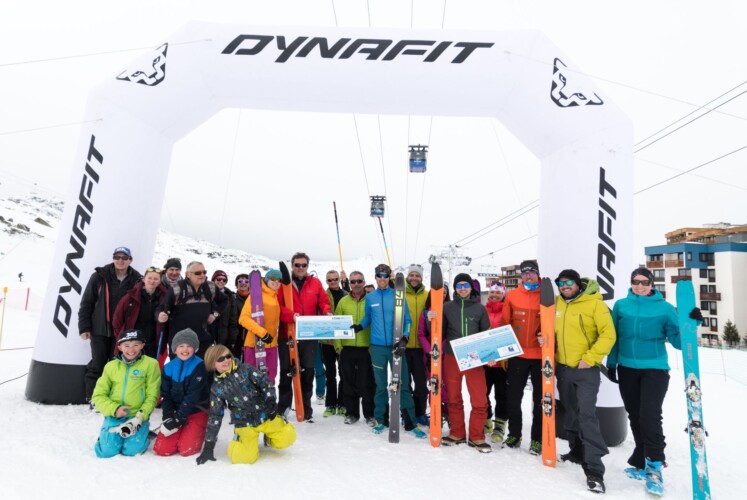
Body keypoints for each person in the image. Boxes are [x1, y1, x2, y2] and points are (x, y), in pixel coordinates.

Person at [607, 267, 690, 494]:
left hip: (655, 369)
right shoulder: (621, 305)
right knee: (635, 416)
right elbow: (615, 337)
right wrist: (612, 363)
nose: (640, 286)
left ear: (652, 284)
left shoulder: (665, 308)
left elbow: (679, 341)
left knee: (649, 416)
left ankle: (655, 466)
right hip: (627, 368)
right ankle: (642, 462)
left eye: (644, 282)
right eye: (636, 281)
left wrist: (691, 324)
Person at [552, 269, 616, 494]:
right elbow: (551, 332)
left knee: (587, 416)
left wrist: (590, 358)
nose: (564, 286)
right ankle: (577, 452)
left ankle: (594, 470)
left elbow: (608, 334)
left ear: (578, 283)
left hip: (586, 370)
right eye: (560, 283)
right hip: (563, 369)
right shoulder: (557, 304)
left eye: (569, 282)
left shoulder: (595, 304)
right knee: (570, 412)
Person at [352, 264, 426, 439]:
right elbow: (368, 318)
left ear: (389, 278)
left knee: (403, 384)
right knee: (380, 385)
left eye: (385, 276)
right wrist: (359, 326)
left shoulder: (398, 295)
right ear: (375, 277)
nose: (382, 279)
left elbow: (407, 320)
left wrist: (405, 338)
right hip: (377, 348)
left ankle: (410, 422)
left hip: (396, 346)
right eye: (379, 276)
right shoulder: (371, 297)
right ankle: (381, 420)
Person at [196, 344, 296, 465]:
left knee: (287, 438)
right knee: (241, 458)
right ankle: (246, 442)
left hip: (265, 414)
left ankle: (270, 436)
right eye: (221, 359)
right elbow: (215, 416)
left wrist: (270, 400)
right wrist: (208, 446)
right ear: (212, 364)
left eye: (228, 356)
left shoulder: (246, 369)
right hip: (244, 422)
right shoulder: (217, 388)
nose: (226, 360)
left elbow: (265, 383)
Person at [79, 246, 142, 405]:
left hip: (122, 332)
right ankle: (93, 397)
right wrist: (84, 327)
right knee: (97, 364)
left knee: (117, 366)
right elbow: (87, 303)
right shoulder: (99, 276)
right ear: (113, 258)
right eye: (117, 257)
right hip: (99, 329)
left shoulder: (137, 280)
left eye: (124, 258)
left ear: (130, 260)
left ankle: (112, 397)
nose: (120, 260)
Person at [277, 252, 332, 423]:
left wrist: (326, 311)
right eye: (297, 265)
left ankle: (305, 407)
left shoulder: (315, 283)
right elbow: (277, 306)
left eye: (304, 265)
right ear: (292, 266)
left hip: (309, 334)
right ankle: (283, 407)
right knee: (287, 371)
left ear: (308, 266)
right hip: (287, 333)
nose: (300, 268)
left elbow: (323, 301)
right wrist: (291, 316)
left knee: (308, 371)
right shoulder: (283, 284)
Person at [440, 273, 491, 452]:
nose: (462, 289)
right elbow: (439, 332)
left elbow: (486, 334)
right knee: (453, 397)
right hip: (452, 357)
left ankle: (477, 436)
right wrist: (432, 319)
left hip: (473, 357)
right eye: (459, 285)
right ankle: (457, 433)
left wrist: (490, 354)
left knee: (479, 399)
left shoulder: (480, 309)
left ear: (471, 287)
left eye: (466, 285)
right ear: (455, 288)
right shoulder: (447, 307)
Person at [91, 329, 160, 458]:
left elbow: (152, 395)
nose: (131, 349)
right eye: (126, 345)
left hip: (137, 416)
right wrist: (114, 409)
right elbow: (98, 395)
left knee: (131, 451)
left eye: (136, 345)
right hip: (114, 415)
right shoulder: (111, 366)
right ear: (119, 347)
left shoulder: (151, 364)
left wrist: (140, 416)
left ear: (142, 345)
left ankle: (144, 433)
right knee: (107, 452)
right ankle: (105, 437)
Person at [502, 260, 543, 455]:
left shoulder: (546, 294)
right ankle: (514, 434)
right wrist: (504, 353)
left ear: (537, 274)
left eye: (532, 272)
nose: (528, 275)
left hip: (540, 356)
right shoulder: (512, 295)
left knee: (540, 400)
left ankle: (537, 439)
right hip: (517, 354)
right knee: (513, 397)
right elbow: (505, 323)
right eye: (525, 272)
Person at [153, 328, 209, 457]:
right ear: (175, 349)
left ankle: (198, 428)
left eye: (189, 346)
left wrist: (179, 418)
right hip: (176, 411)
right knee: (162, 449)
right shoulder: (168, 367)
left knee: (186, 449)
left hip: (196, 410)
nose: (185, 349)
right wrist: (168, 416)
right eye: (181, 346)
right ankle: (182, 427)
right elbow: (166, 394)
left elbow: (192, 397)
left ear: (195, 348)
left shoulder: (200, 366)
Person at [157, 261, 228, 357]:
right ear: (188, 274)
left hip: (202, 339)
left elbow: (224, 300)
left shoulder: (210, 287)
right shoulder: (176, 288)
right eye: (198, 273)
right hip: (180, 340)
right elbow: (162, 307)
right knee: (179, 366)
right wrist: (159, 315)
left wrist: (215, 314)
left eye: (204, 272)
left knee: (201, 366)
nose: (202, 275)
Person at [334, 271, 375, 426]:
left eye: (359, 281)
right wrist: (339, 346)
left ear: (364, 282)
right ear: (349, 283)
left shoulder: (371, 300)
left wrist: (373, 346)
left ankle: (369, 414)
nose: (356, 284)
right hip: (347, 348)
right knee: (348, 382)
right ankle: (351, 413)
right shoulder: (343, 301)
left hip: (366, 349)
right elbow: (337, 323)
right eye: (353, 281)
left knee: (367, 382)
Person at [239, 269, 294, 385]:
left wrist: (293, 316)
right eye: (273, 279)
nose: (276, 282)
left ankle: (269, 396)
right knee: (252, 379)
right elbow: (243, 319)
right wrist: (262, 333)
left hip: (272, 345)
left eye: (279, 280)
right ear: (267, 279)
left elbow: (280, 313)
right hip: (255, 344)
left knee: (270, 376)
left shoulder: (275, 296)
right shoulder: (256, 295)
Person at [112, 266, 169, 365]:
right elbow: (117, 320)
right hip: (133, 342)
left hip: (153, 342)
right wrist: (122, 338)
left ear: (160, 281)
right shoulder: (131, 296)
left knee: (149, 368)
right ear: (144, 279)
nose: (152, 281)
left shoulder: (165, 297)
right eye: (149, 278)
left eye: (156, 279)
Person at [418, 284, 451, 425]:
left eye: (444, 293)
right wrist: (429, 349)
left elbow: (451, 332)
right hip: (430, 355)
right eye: (438, 292)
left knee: (447, 385)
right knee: (434, 384)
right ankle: (436, 412)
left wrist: (441, 347)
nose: (441, 295)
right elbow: (421, 333)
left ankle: (449, 412)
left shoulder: (450, 310)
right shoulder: (426, 311)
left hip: (446, 354)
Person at [404, 264, 430, 426]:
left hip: (421, 347)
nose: (414, 278)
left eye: (417, 275)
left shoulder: (427, 295)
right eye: (412, 275)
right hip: (404, 346)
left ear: (421, 278)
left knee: (421, 384)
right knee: (405, 383)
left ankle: (420, 412)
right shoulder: (399, 294)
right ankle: (406, 413)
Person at [484, 281, 508, 442]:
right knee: (482, 393)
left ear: (503, 294)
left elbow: (509, 335)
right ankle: (486, 421)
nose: (494, 295)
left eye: (498, 293)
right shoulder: (482, 310)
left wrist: (498, 356)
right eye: (492, 292)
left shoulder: (507, 310)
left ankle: (500, 426)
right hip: (485, 362)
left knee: (502, 395)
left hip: (502, 363)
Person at [322, 269, 348, 417]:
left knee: (343, 373)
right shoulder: (323, 295)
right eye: (329, 280)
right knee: (330, 373)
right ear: (326, 281)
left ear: (339, 279)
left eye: (335, 279)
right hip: (327, 341)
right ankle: (330, 404)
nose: (333, 282)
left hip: (343, 340)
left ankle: (343, 403)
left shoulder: (346, 294)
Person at [210, 270, 239, 349]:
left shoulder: (230, 296)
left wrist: (232, 338)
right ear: (213, 280)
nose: (221, 281)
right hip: (208, 333)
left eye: (224, 280)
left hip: (223, 335)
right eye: (219, 279)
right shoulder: (206, 293)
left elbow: (233, 319)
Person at [232, 273, 251, 358]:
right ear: (236, 284)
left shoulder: (255, 299)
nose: (243, 283)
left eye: (246, 281)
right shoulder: (232, 298)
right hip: (236, 335)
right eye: (240, 281)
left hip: (251, 333)